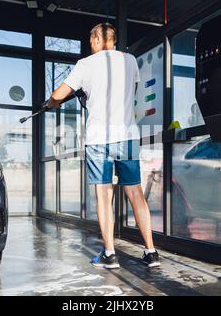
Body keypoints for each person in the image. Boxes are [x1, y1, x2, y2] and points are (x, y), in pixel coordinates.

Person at [46, 22, 160, 269]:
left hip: (99, 139)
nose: (91, 46)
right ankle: (151, 252)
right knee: (135, 192)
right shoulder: (130, 61)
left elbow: (57, 95)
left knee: (104, 194)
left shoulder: (86, 64)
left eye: (91, 41)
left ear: (98, 39)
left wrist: (51, 104)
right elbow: (131, 90)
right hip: (128, 136)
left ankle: (110, 254)